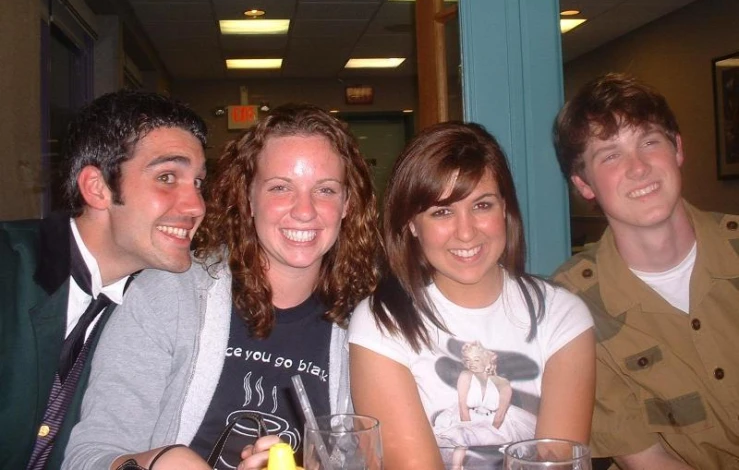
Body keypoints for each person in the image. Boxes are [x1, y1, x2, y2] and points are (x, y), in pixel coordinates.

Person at [63, 104, 381, 470]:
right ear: (248, 197)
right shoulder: (168, 296)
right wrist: (159, 463)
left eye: (325, 190)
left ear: (347, 204)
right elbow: (88, 457)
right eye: (280, 187)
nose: (305, 211)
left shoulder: (367, 323)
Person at [348, 122, 595, 470]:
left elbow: (557, 461)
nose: (466, 232)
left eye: (482, 205)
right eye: (442, 212)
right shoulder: (382, 320)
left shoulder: (561, 315)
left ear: (505, 210)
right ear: (411, 225)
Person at [0, 90, 208, 470]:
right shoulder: (8, 270)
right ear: (97, 188)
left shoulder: (152, 311)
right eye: (167, 177)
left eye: (197, 183)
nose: (196, 206)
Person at [552, 73, 739, 470]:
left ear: (678, 150)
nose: (638, 168)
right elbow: (648, 460)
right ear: (583, 184)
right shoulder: (575, 308)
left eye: (649, 141)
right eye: (610, 155)